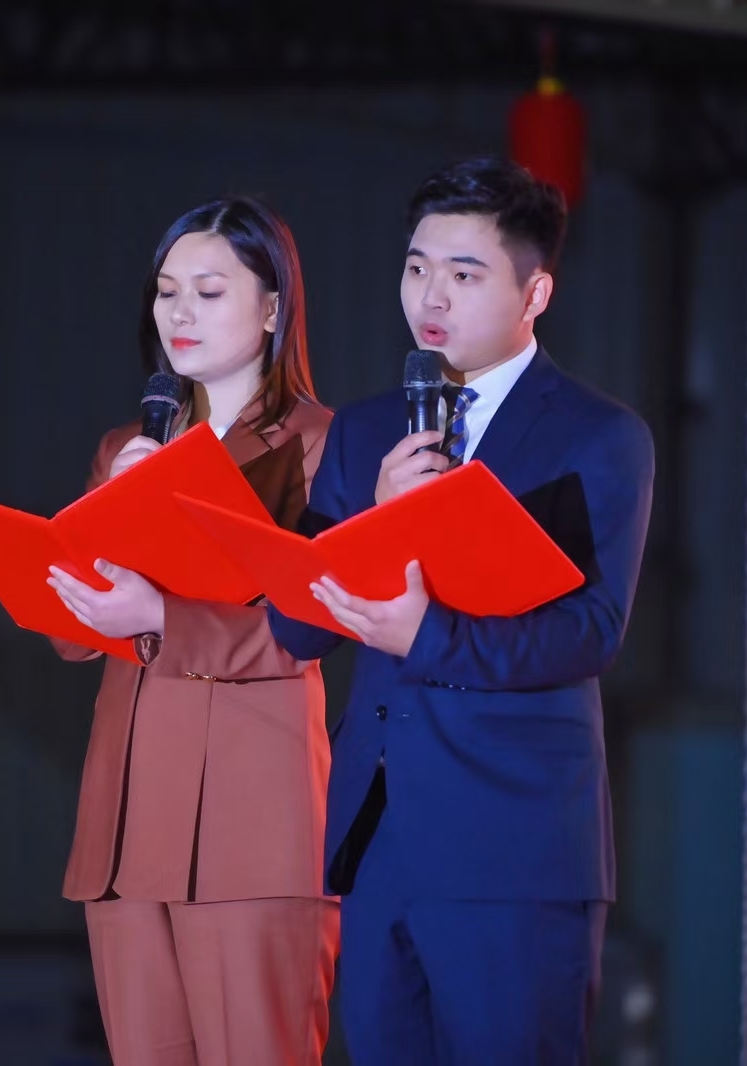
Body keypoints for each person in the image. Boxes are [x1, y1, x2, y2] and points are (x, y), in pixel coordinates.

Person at [269, 158, 655, 1064]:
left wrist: (427, 635)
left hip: (514, 844)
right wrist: (372, 517)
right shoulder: (367, 432)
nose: (430, 296)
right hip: (378, 838)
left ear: (536, 293)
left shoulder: (597, 434)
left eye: (464, 274)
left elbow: (591, 631)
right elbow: (297, 626)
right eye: (416, 268)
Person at [45, 196, 338, 1066]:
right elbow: (70, 634)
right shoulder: (125, 448)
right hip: (127, 828)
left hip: (252, 824)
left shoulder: (321, 446)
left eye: (209, 292)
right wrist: (106, 517)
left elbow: (311, 626)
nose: (180, 312)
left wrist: (160, 617)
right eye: (167, 291)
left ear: (274, 307)